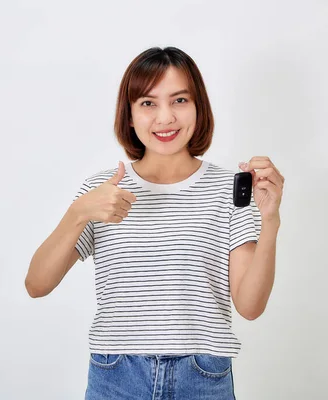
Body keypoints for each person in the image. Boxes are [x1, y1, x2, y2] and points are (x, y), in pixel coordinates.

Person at [25, 46, 285, 400]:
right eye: (148, 103)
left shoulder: (228, 190)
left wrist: (269, 221)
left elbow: (250, 307)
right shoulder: (103, 192)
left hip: (202, 379)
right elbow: (37, 284)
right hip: (116, 377)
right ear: (129, 115)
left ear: (198, 108)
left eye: (179, 100)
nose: (165, 118)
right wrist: (79, 213)